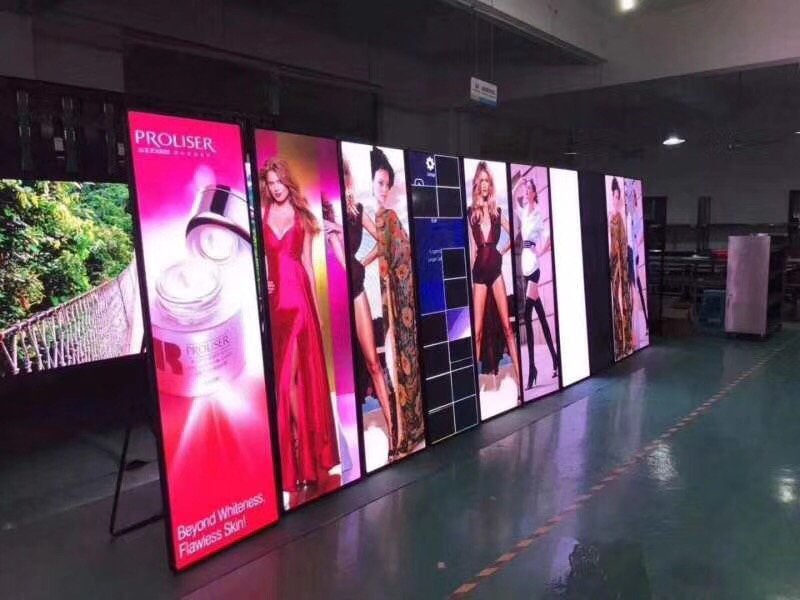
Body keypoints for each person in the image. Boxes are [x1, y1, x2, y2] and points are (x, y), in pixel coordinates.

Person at [260, 158, 339, 493]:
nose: (276, 187)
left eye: (279, 181)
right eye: (271, 183)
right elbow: (262, 259)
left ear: (287, 182)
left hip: (300, 304)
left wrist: (317, 313)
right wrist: (263, 281)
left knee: (290, 380)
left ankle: (302, 456)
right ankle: (300, 455)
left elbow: (306, 263)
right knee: (289, 381)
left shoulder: (302, 216)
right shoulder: (262, 214)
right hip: (276, 306)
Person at [369, 147, 425, 456]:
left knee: (395, 360)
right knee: (387, 361)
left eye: (387, 184)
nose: (384, 189)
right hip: (374, 297)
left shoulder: (388, 218)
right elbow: (379, 250)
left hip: (393, 299)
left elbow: (402, 252)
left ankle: (405, 433)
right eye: (380, 183)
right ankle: (399, 433)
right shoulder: (367, 215)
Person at [468, 161, 521, 390]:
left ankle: (520, 384)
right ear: (476, 185)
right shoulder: (471, 213)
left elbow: (515, 233)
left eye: (487, 181)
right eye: (480, 181)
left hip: (496, 272)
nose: (484, 184)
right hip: (479, 275)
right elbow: (472, 248)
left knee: (508, 328)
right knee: (477, 332)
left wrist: (502, 251)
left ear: (490, 185)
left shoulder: (497, 212)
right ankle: (472, 391)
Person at [513, 176, 558, 389]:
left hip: (534, 268)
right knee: (540, 316)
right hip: (525, 265)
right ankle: (555, 359)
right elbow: (513, 196)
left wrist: (541, 250)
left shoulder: (538, 214)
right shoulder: (524, 212)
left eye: (528, 188)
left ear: (533, 193)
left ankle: (532, 369)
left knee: (527, 315)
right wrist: (519, 182)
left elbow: (548, 236)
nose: (525, 191)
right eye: (525, 188)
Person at [609, 177, 633, 360]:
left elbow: (624, 245)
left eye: (619, 197)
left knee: (625, 301)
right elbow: (613, 246)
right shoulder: (611, 218)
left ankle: (627, 343)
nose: (617, 200)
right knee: (616, 302)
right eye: (615, 196)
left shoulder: (621, 220)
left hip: (622, 266)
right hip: (615, 265)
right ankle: (620, 344)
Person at [624, 179, 648, 335]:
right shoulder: (627, 216)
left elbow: (637, 238)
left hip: (633, 254)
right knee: (631, 290)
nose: (628, 199)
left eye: (630, 195)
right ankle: (636, 325)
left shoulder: (637, 218)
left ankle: (643, 324)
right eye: (627, 195)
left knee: (636, 289)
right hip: (628, 253)